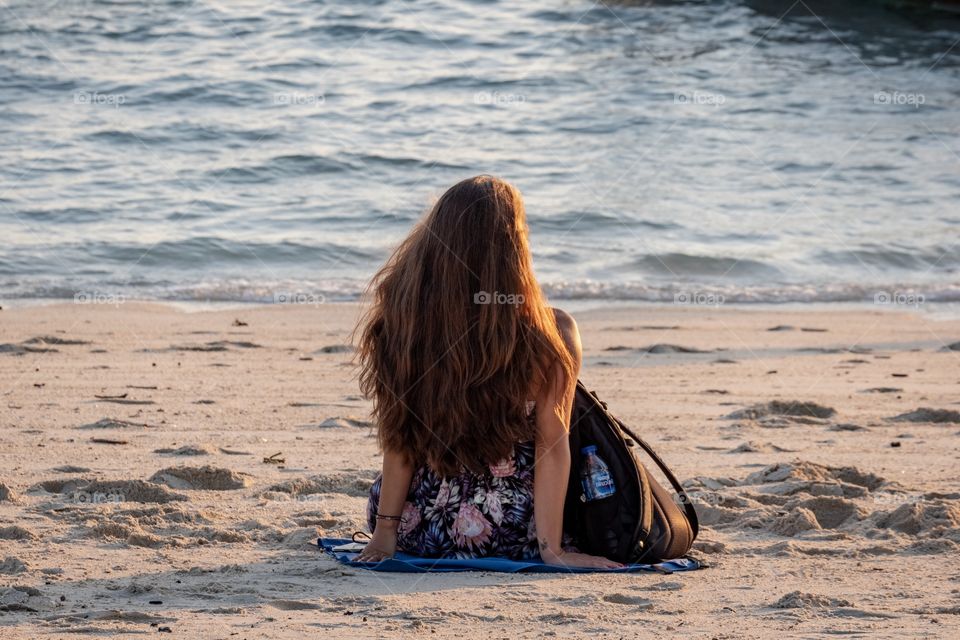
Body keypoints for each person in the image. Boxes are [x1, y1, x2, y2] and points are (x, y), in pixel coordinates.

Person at [354, 175, 622, 569]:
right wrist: (553, 551)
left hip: (419, 523)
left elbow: (401, 438)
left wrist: (385, 534)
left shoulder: (404, 324)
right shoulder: (552, 333)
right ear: (512, 248)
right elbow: (552, 446)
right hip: (508, 527)